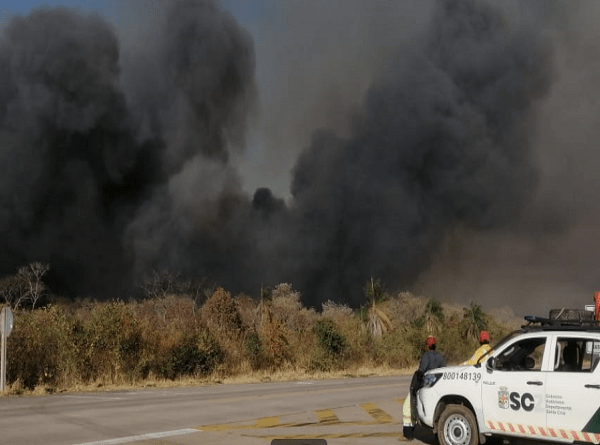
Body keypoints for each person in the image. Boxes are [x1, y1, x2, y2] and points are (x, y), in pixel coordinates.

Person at [403, 336, 446, 440]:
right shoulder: (440, 356)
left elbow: (421, 371)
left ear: (427, 345)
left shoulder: (426, 356)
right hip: (437, 387)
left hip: (425, 385)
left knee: (407, 407)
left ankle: (408, 434)